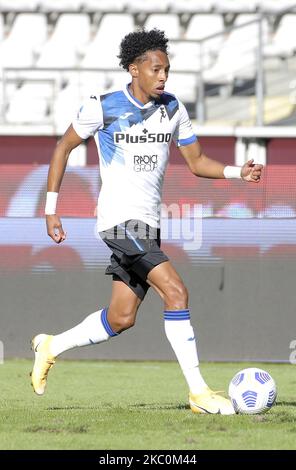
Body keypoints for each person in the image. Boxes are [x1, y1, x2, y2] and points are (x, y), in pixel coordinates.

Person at [31, 29, 263, 415]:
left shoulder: (173, 109)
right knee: (176, 293)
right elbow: (63, 147)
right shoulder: (103, 106)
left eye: (167, 70)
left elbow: (197, 162)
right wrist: (51, 208)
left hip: (148, 224)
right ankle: (199, 392)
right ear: (133, 68)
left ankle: (50, 346)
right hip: (119, 222)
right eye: (156, 70)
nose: (163, 77)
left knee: (121, 318)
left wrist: (240, 172)